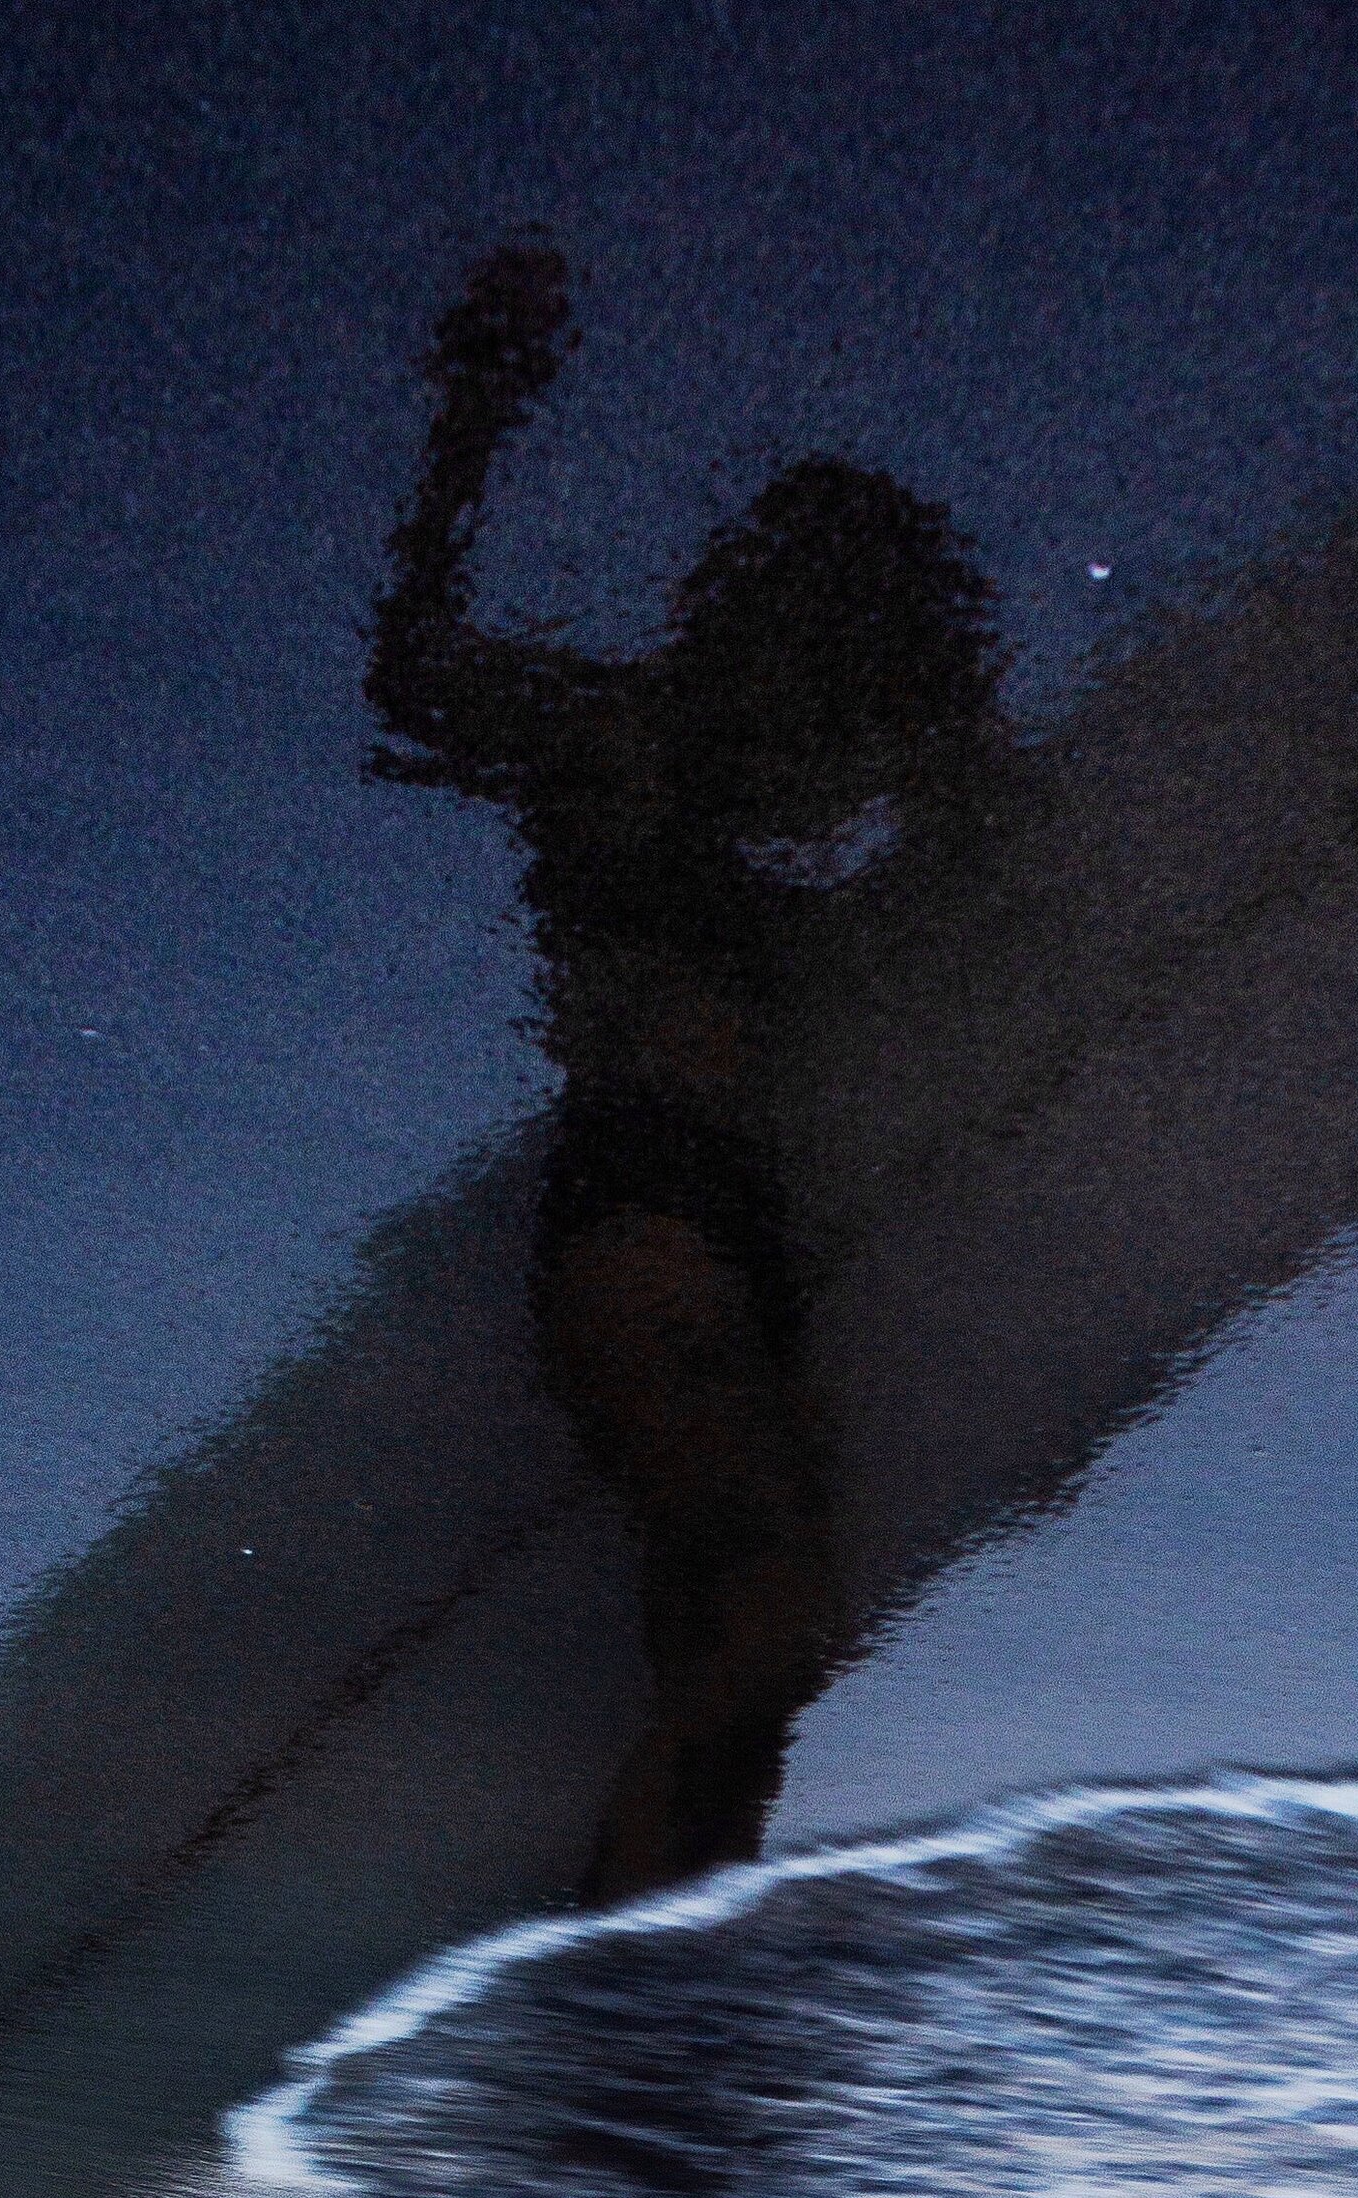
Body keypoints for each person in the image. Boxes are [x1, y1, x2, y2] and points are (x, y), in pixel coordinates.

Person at [364, 238, 1005, 1902]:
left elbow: (990, 863)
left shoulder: (826, 815)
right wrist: (474, 419)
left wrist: (952, 715)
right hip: (642, 1205)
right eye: (830, 624)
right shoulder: (619, 734)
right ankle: (619, 2091)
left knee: (752, 1682)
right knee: (752, 1627)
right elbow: (413, 672)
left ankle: (644, 2070)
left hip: (750, 1241)